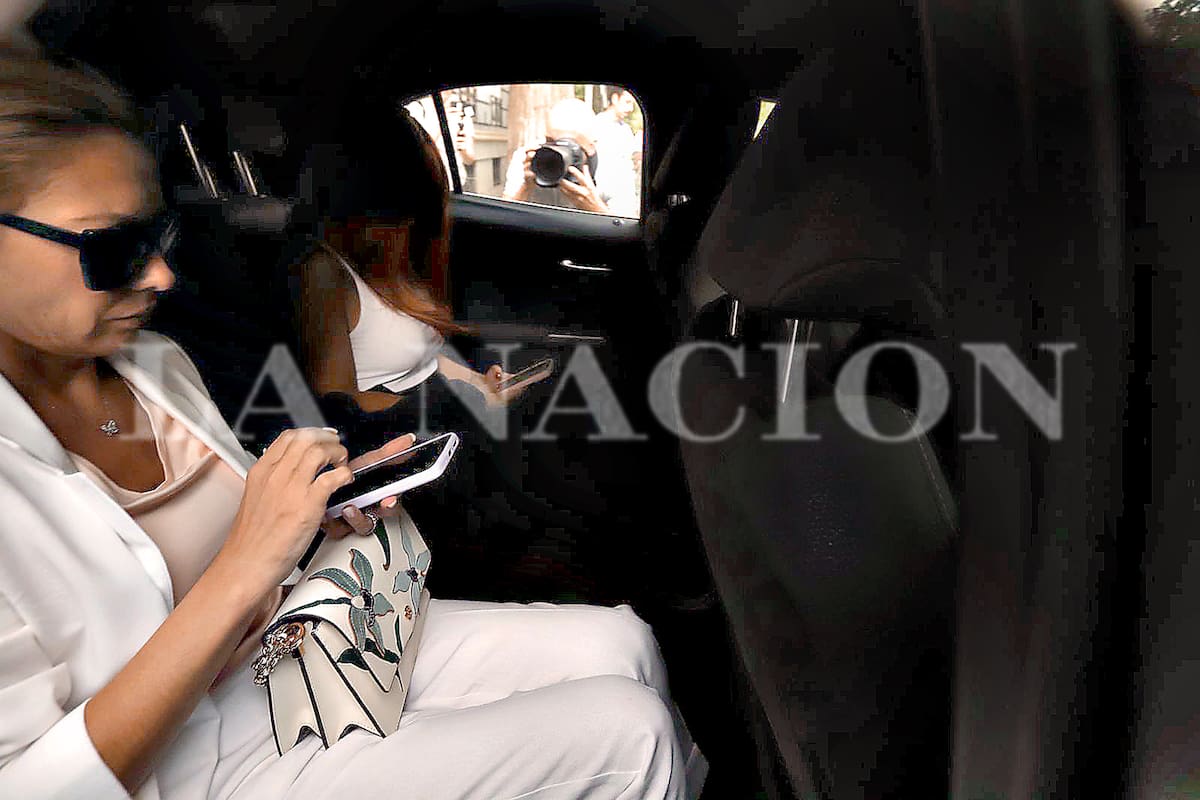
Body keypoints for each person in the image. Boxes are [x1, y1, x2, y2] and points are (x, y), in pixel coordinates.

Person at [0, 51, 703, 800]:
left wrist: (326, 504)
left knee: (623, 639)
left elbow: (247, 530)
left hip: (290, 648)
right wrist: (248, 564)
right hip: (182, 767)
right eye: (111, 248)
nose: (162, 278)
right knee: (630, 731)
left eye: (159, 239)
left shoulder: (158, 364)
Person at [503, 97, 611, 213]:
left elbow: (624, 226)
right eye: (552, 142)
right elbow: (502, 217)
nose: (559, 154)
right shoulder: (527, 157)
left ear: (591, 146)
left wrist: (593, 205)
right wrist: (526, 186)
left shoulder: (610, 165)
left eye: (570, 145)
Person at [591, 86, 642, 218]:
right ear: (615, 99)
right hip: (601, 197)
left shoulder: (626, 129)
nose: (630, 109)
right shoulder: (596, 124)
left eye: (632, 104)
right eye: (627, 102)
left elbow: (631, 160)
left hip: (623, 197)